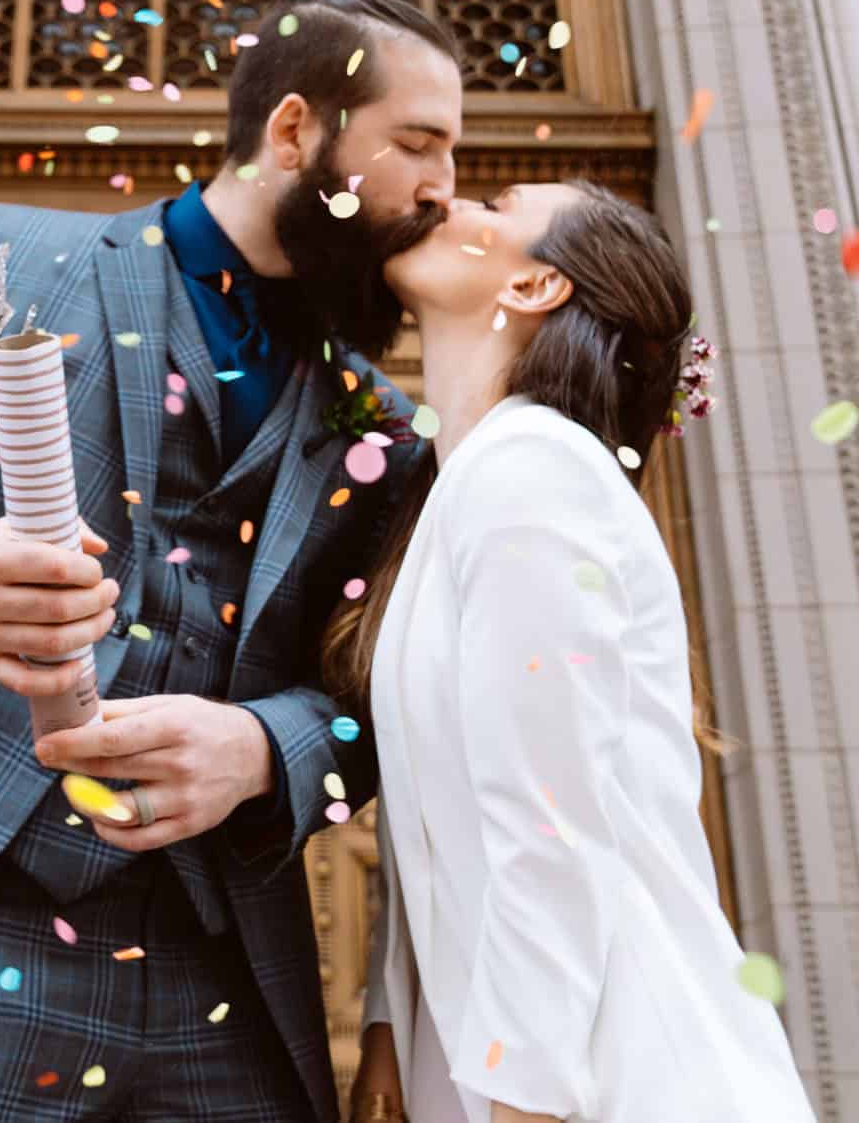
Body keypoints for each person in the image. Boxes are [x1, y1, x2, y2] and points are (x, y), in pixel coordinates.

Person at [0, 0, 461, 1121]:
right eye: (417, 144)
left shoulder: (385, 424)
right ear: (293, 131)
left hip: (225, 970)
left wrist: (264, 751)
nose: (443, 188)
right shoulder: (12, 254)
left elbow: (390, 691)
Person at [334, 181, 816, 1123]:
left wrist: (523, 1101)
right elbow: (443, 804)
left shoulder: (534, 469)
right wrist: (391, 1024)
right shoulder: (463, 486)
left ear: (534, 285)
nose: (446, 196)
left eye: (494, 202)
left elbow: (548, 826)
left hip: (624, 1076)